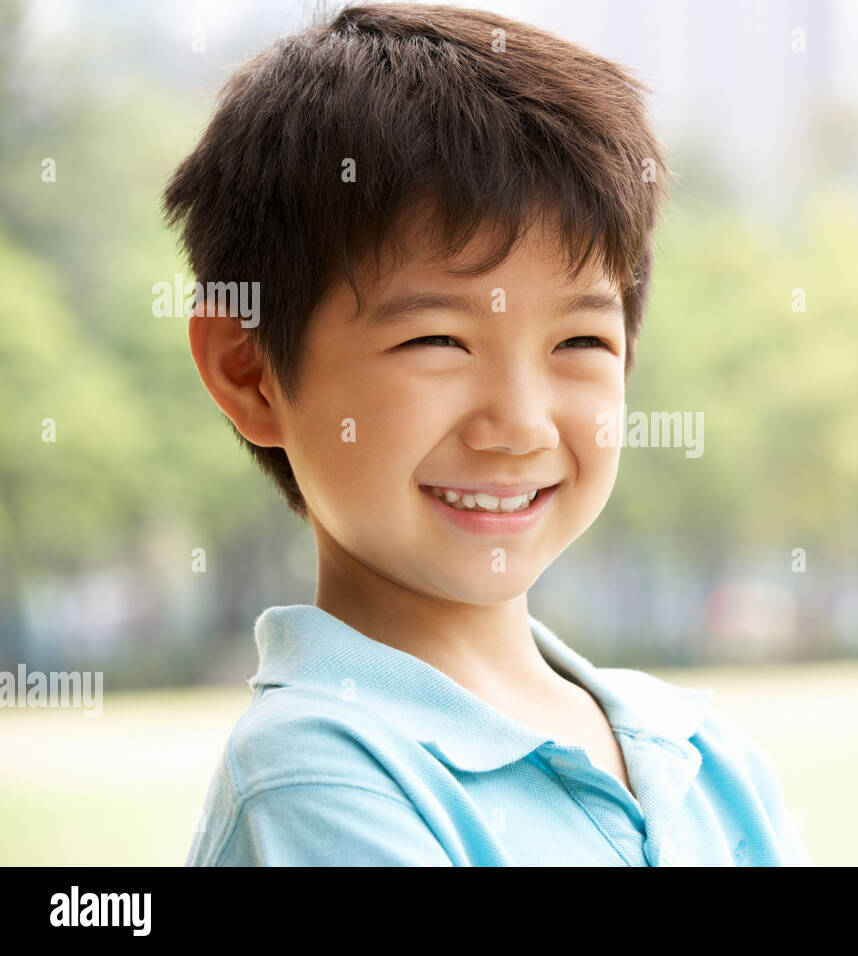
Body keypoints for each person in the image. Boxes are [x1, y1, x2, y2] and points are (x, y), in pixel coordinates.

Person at [169, 1, 810, 866]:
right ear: (250, 372)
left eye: (580, 340)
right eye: (438, 340)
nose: (518, 424)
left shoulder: (707, 762)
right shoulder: (319, 776)